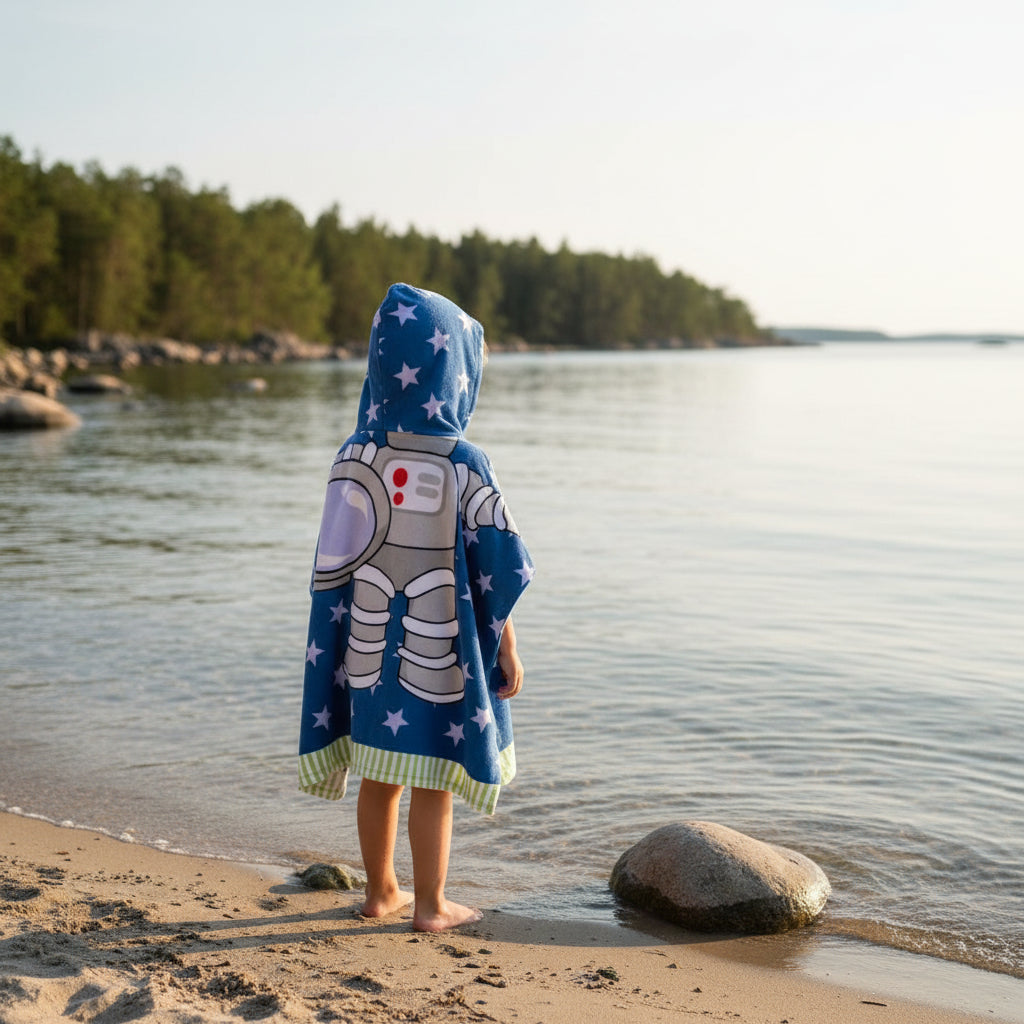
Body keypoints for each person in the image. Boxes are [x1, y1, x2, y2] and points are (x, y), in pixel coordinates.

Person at [298, 282, 533, 932]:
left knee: (380, 776)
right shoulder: (464, 460)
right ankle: (430, 904)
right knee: (433, 781)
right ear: (455, 370)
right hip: (438, 655)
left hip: (366, 653)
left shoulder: (354, 453)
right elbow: (497, 569)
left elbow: (334, 565)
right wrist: (507, 646)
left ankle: (380, 892)